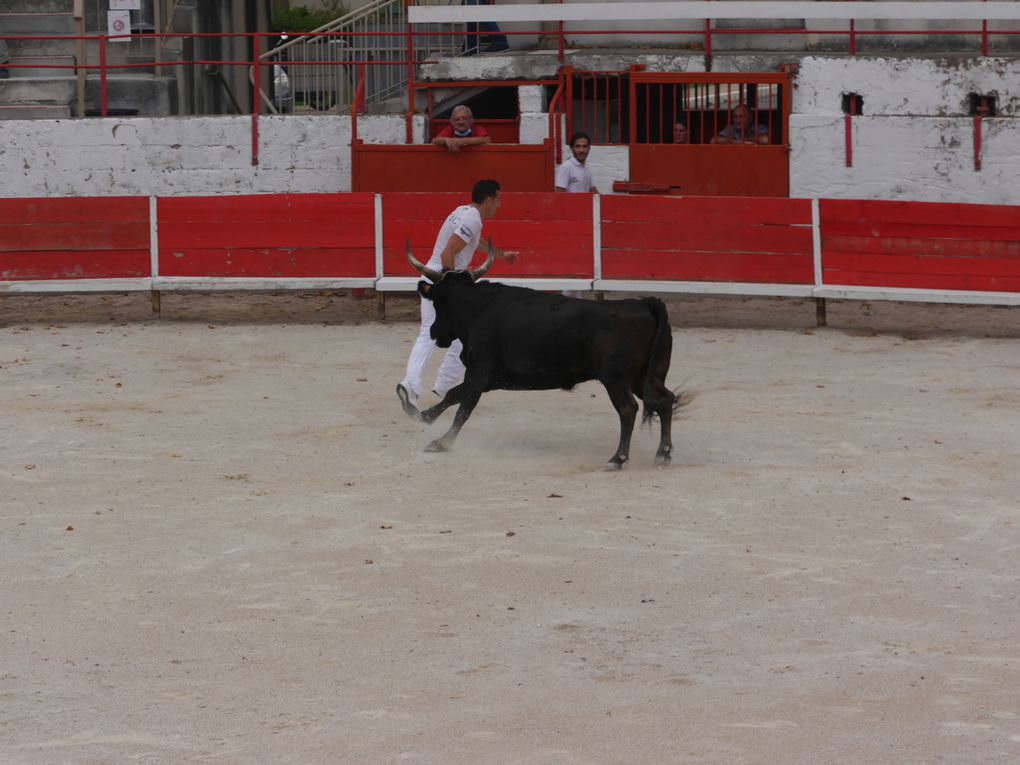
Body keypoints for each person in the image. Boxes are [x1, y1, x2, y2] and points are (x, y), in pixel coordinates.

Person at [396, 179, 519, 415]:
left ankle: (418, 386)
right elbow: (448, 252)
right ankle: (437, 386)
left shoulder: (463, 212)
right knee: (462, 335)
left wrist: (501, 255)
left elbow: (471, 242)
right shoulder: (472, 219)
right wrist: (451, 289)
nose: (500, 205)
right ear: (489, 200)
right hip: (444, 278)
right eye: (499, 200)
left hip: (432, 276)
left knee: (435, 334)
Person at [554, 132, 597, 298]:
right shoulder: (566, 167)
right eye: (578, 146)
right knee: (574, 258)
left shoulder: (587, 168)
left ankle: (574, 296)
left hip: (584, 220)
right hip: (571, 220)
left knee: (580, 258)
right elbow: (559, 194)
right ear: (572, 148)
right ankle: (566, 295)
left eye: (585, 146)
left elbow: (592, 191)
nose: (582, 150)